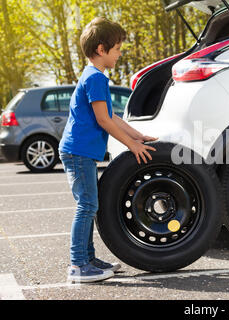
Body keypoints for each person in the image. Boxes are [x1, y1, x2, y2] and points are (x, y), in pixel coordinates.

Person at [59, 17, 158, 283]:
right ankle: (78, 265)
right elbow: (103, 120)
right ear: (102, 49)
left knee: (89, 204)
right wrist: (132, 146)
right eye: (117, 49)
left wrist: (138, 135)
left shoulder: (93, 76)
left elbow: (111, 117)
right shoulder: (96, 79)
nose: (120, 53)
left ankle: (88, 259)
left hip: (80, 151)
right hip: (78, 152)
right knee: (87, 205)